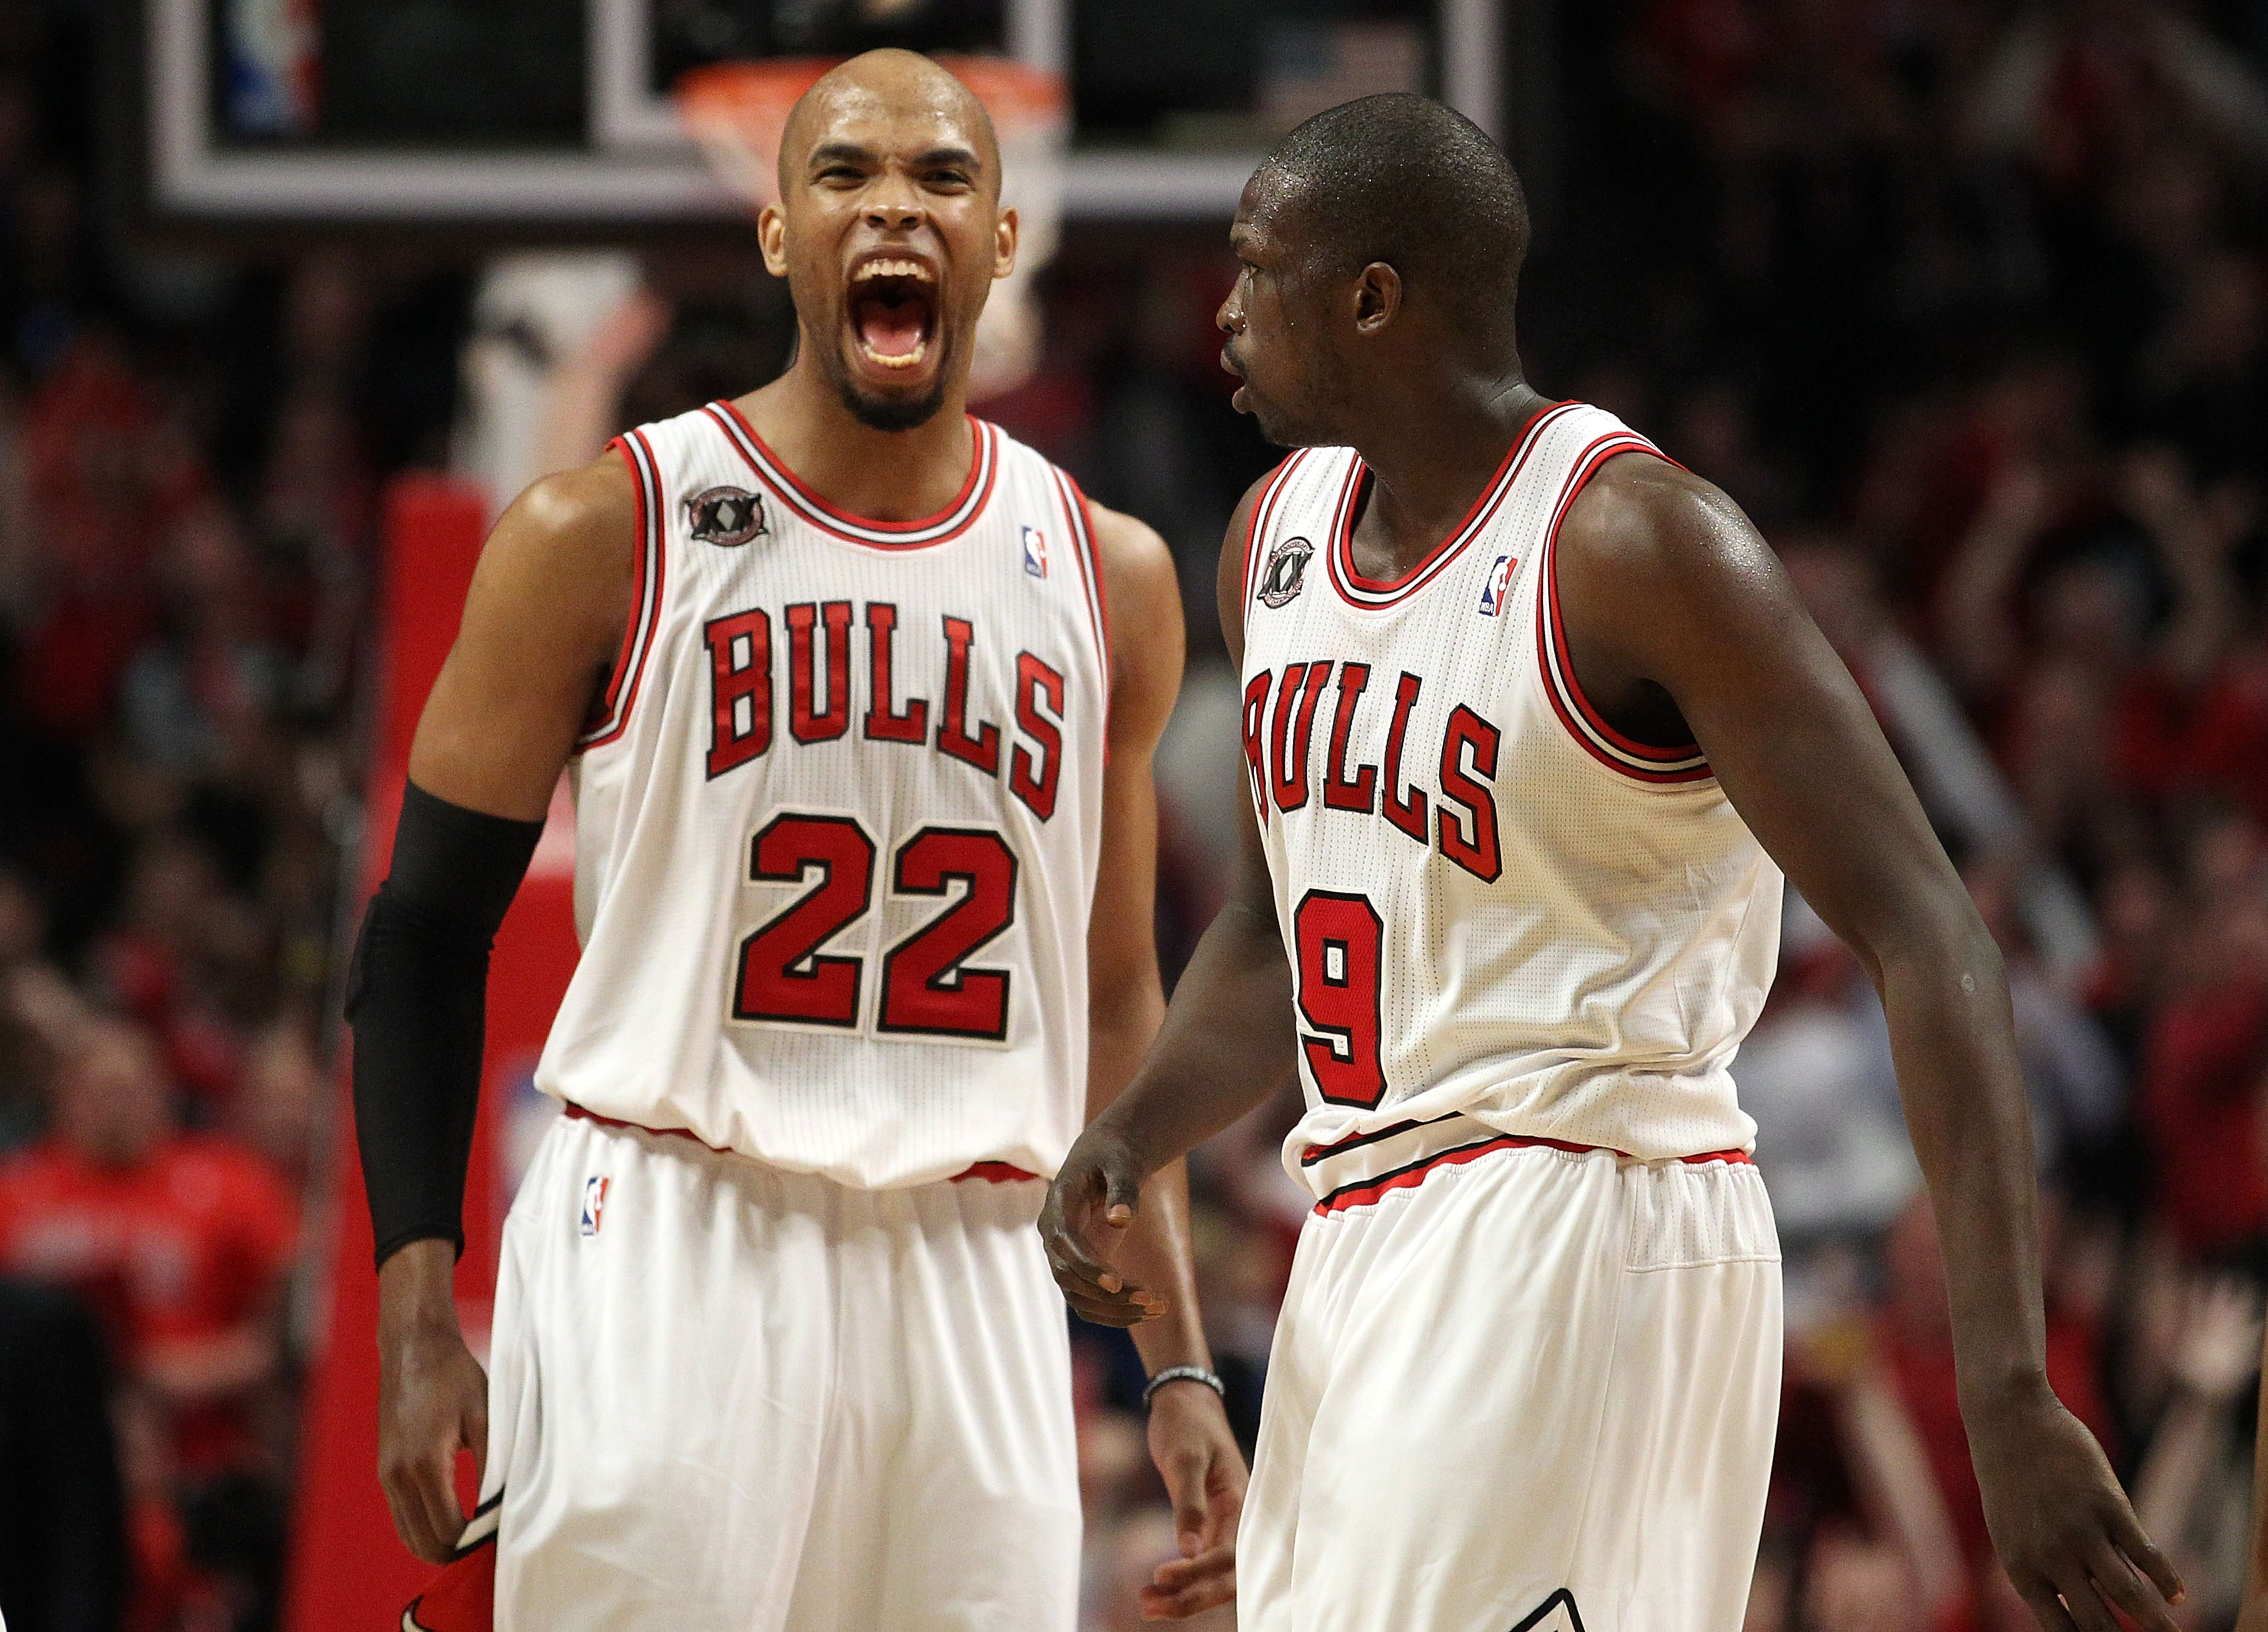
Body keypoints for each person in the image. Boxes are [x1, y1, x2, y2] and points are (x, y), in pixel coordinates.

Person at [1039, 94, 2182, 1632]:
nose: (1222, 311)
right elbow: (1272, 931)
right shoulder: (1271, 538)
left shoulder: (1637, 545)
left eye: (1256, 268)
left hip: (1581, 1217)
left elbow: (1932, 932)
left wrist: (2002, 1385)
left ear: (1372, 297)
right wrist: (1136, 1122)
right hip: (1363, 1236)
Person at [347, 49, 1243, 1632]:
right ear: (777, 237)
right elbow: (420, 935)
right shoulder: (601, 529)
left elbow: (1117, 1012)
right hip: (679, 1227)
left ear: (1004, 240)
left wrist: (1174, 1359)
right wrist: (419, 1298)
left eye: (940, 178)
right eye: (843, 174)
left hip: (976, 1251)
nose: (893, 205)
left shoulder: (1111, 575)